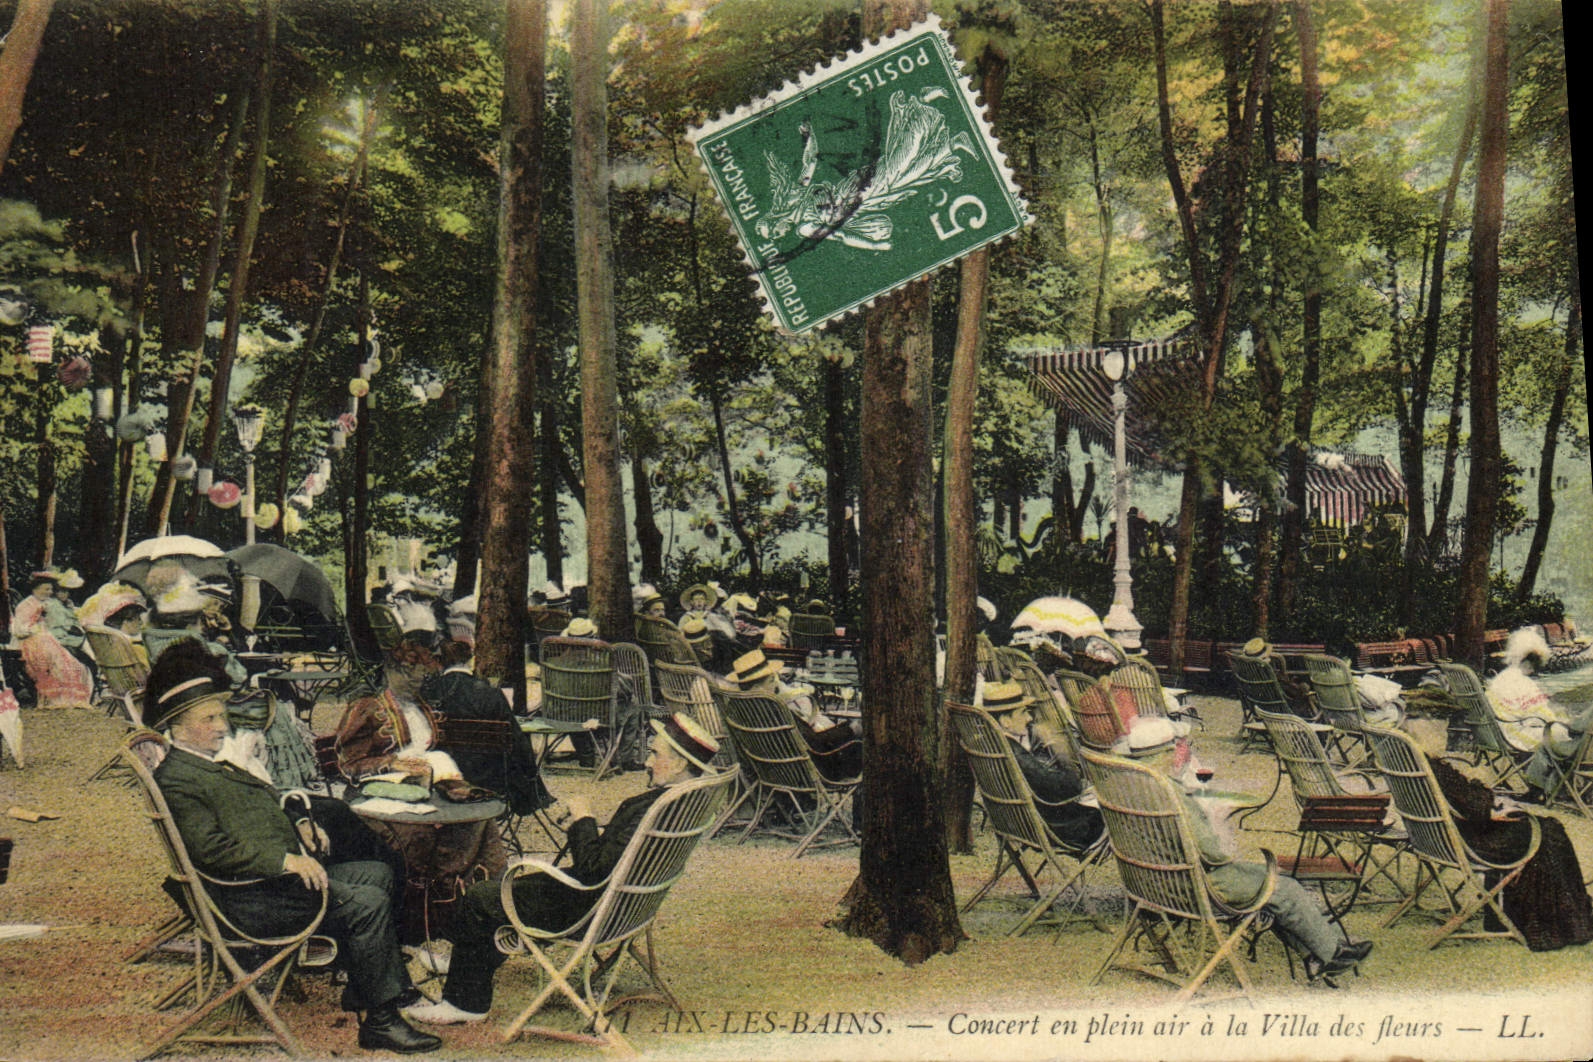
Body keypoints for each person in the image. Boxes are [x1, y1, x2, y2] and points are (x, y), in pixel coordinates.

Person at [144, 642, 439, 1054]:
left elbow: (259, 803)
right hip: (249, 899)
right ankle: (382, 1022)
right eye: (209, 718)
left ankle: (366, 990)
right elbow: (209, 852)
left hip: (268, 884)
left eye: (220, 716)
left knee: (378, 872)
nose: (222, 726)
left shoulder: (206, 765)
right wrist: (284, 859)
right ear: (177, 726)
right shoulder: (179, 779)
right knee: (368, 901)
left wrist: (300, 823)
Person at [404, 713, 721, 1025]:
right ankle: (470, 961)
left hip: (588, 908)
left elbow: (594, 869)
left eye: (655, 754)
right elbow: (616, 854)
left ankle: (464, 1003)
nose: (648, 762)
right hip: (624, 907)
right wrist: (580, 826)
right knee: (513, 889)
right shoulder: (681, 804)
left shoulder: (656, 807)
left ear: (680, 763)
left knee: (481, 897)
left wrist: (583, 818)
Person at [1135, 733, 1373, 982]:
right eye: (1175, 749)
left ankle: (1318, 954)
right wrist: (1223, 844)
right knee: (1283, 887)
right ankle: (1331, 954)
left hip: (1156, 883)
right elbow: (1210, 852)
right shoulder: (1170, 793)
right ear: (1165, 754)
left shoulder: (1133, 785)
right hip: (1196, 886)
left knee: (1268, 886)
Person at [334, 633, 508, 942]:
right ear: (395, 671)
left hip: (426, 793)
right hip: (381, 800)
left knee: (479, 822)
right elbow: (349, 763)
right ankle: (425, 918)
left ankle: (482, 905)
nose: (422, 684)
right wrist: (392, 764)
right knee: (423, 833)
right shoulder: (367, 706)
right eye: (416, 677)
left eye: (426, 677)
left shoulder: (420, 705)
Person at [980, 682, 1103, 851]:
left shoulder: (992, 746)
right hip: (1053, 830)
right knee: (1108, 810)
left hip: (1017, 825)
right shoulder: (1014, 754)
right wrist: (1061, 753)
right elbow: (1070, 788)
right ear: (1005, 721)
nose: (1029, 718)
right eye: (1023, 713)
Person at [1487, 626, 1593, 800]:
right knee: (1556, 736)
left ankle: (1537, 790)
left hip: (1576, 745)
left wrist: (1564, 721)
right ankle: (1558, 789)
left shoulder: (1504, 679)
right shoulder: (1519, 681)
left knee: (1552, 741)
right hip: (1585, 749)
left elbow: (1575, 726)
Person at [731, 648, 861, 782]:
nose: (776, 683)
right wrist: (850, 729)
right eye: (771, 680)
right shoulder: (774, 710)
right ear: (756, 688)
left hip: (773, 772)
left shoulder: (738, 708)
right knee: (860, 747)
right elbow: (813, 744)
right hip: (807, 774)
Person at [9, 572, 93, 708]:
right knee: (53, 660)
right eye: (46, 589)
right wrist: (36, 629)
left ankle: (66, 697)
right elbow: (19, 630)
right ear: (36, 589)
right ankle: (53, 697)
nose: (50, 592)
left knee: (72, 664)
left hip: (44, 638)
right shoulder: (26, 605)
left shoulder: (45, 603)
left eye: (51, 589)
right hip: (29, 641)